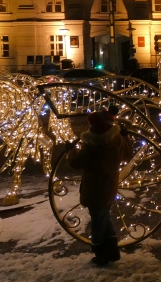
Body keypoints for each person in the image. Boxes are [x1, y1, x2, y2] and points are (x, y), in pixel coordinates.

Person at [65, 107, 132, 266]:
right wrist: (125, 135)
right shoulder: (117, 141)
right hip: (109, 187)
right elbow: (128, 153)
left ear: (93, 128)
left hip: (94, 190)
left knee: (98, 221)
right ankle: (112, 251)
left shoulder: (91, 146)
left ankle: (100, 252)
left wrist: (70, 151)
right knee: (104, 217)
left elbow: (76, 162)